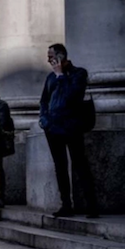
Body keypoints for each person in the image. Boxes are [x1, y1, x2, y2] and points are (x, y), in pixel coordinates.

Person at [40, 43, 98, 218]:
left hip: (72, 126)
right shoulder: (50, 78)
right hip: (53, 128)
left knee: (80, 165)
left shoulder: (78, 73)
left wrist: (60, 76)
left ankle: (91, 205)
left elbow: (73, 95)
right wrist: (44, 120)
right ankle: (66, 204)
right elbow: (44, 100)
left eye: (51, 56)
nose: (48, 59)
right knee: (60, 167)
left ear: (60, 57)